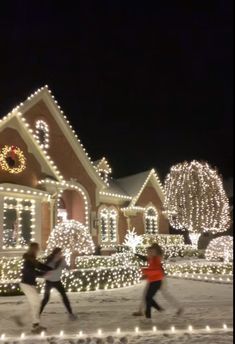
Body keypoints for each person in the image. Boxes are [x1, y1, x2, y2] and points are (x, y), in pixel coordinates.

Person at [133, 244, 183, 316]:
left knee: (164, 294)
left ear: (155, 250)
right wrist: (137, 255)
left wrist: (145, 272)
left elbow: (154, 267)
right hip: (154, 277)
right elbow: (146, 259)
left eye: (152, 250)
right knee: (148, 294)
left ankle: (179, 308)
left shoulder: (156, 258)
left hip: (159, 278)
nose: (149, 252)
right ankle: (141, 310)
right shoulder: (153, 257)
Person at [13, 242, 53, 334]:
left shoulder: (31, 259)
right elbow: (32, 272)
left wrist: (50, 269)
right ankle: (35, 325)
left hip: (30, 284)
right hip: (26, 285)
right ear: (34, 249)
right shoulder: (28, 260)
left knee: (33, 304)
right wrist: (44, 274)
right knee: (37, 303)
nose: (39, 250)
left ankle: (18, 316)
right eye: (38, 249)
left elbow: (40, 265)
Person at [40, 247, 77, 320]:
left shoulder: (61, 260)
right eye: (59, 253)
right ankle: (38, 314)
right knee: (46, 299)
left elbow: (68, 268)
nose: (60, 254)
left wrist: (72, 261)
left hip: (57, 281)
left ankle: (70, 314)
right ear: (55, 253)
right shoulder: (49, 259)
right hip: (49, 282)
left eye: (61, 253)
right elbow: (43, 268)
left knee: (64, 297)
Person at [142, 244, 164, 320]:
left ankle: (148, 315)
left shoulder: (156, 259)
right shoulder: (151, 259)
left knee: (148, 297)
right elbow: (151, 270)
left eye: (151, 252)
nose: (149, 254)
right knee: (148, 297)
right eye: (148, 252)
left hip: (157, 281)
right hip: (153, 280)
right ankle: (156, 309)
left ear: (154, 252)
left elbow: (156, 270)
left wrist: (144, 271)